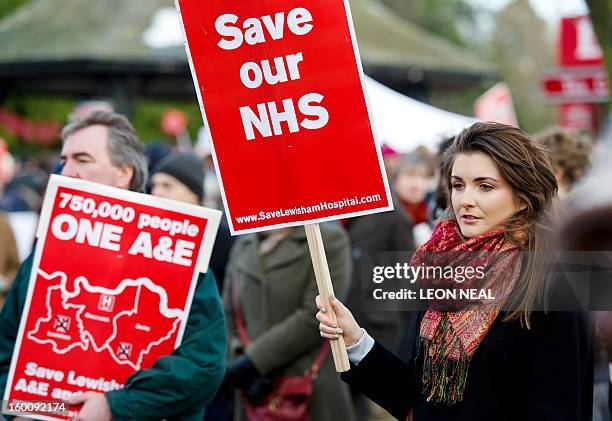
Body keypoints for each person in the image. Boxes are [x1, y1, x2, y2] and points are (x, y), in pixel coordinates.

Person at [316, 122, 593, 420]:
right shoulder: (442, 268)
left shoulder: (554, 282)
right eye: (458, 185)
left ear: (522, 196)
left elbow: (557, 409)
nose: (465, 200)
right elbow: (415, 399)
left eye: (485, 186)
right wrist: (356, 340)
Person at [0, 111, 226, 421]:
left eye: (83, 159)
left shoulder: (179, 256)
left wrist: (115, 406)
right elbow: (6, 350)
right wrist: (22, 410)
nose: (66, 171)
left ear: (124, 173)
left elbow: (203, 366)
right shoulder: (45, 255)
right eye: (64, 160)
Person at [223, 223, 356, 421]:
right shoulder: (245, 243)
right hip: (252, 390)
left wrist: (255, 361)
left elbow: (317, 314)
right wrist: (238, 355)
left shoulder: (328, 239)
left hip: (306, 388)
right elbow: (229, 312)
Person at [150, 152, 234, 288]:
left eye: (167, 186)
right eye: (155, 185)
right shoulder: (149, 231)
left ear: (193, 193)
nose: (156, 192)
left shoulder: (221, 239)